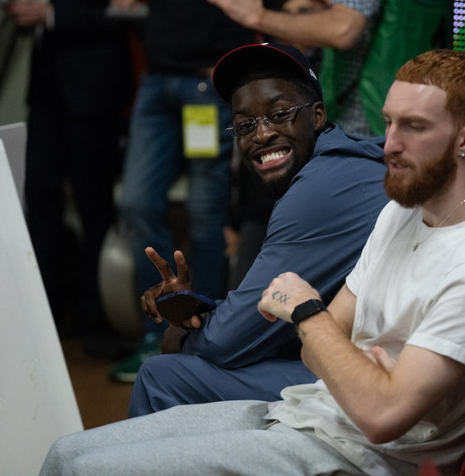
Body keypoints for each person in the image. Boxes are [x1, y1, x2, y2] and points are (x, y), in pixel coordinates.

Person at [39, 49, 465, 476]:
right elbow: (321, 346)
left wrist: (307, 315)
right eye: (388, 123)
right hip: (317, 415)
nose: (390, 145)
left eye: (414, 127)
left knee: (84, 469)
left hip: (357, 456)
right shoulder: (403, 217)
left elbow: (382, 413)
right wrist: (340, 348)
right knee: (65, 453)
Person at [126, 42, 389, 415]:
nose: (261, 135)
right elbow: (267, 313)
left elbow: (228, 341)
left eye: (279, 114)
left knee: (161, 374)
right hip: (367, 356)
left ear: (316, 116)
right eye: (245, 125)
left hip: (380, 383)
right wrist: (197, 311)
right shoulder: (340, 164)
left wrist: (182, 333)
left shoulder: (321, 188)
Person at [104, 0, 300, 381]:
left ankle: (204, 332)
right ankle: (158, 332)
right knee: (136, 202)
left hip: (208, 83)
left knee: (205, 212)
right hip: (156, 79)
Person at [5, 0, 134, 336]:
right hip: (46, 90)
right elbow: (46, 4)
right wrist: (29, 13)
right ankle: (43, 311)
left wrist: (51, 15)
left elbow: (123, 18)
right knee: (40, 196)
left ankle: (95, 315)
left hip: (92, 91)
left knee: (93, 202)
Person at [202, 0, 453, 137]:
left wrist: (257, 16)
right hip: (428, 104)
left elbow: (342, 29)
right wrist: (350, 3)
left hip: (371, 116)